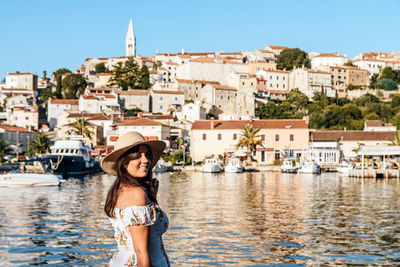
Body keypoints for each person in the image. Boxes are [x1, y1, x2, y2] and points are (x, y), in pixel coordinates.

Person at [101, 131, 170, 267]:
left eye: (146, 155)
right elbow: (141, 252)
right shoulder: (136, 194)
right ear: (124, 162)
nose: (145, 160)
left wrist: (153, 200)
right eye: (137, 156)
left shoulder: (119, 190)